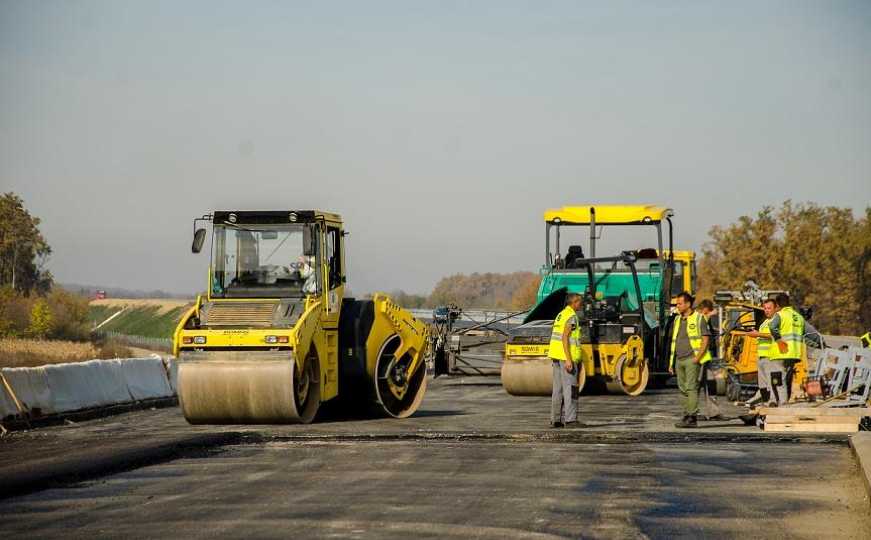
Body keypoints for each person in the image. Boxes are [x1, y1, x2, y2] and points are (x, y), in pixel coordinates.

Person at [668, 291, 711, 428]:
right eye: (677, 304)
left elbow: (705, 339)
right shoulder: (677, 319)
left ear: (688, 304)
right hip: (679, 359)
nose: (677, 306)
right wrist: (671, 362)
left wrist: (698, 358)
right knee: (682, 389)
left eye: (680, 304)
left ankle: (692, 417)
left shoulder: (699, 318)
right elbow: (674, 341)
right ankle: (686, 414)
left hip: (692, 358)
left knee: (691, 388)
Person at [548, 292, 583, 428]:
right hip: (566, 357)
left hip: (556, 356)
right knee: (571, 388)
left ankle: (555, 419)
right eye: (579, 302)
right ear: (573, 303)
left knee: (558, 389)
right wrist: (569, 359)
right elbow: (565, 337)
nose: (581, 304)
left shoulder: (561, 314)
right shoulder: (571, 317)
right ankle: (571, 420)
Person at [767, 293, 805, 406]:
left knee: (778, 379)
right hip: (794, 354)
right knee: (785, 379)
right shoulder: (799, 317)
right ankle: (779, 401)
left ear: (777, 304)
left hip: (781, 352)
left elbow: (772, 327)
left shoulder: (780, 315)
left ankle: (781, 403)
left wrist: (778, 339)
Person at [744, 298, 777, 407]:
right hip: (761, 357)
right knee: (762, 385)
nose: (767, 310)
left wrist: (757, 334)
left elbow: (774, 335)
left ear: (775, 309)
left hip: (771, 357)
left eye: (769, 308)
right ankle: (765, 403)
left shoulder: (776, 320)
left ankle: (772, 403)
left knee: (771, 384)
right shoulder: (765, 322)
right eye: (765, 308)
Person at [696, 299, 723, 421]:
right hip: (699, 357)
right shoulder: (698, 318)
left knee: (711, 384)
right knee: (695, 385)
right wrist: (710, 314)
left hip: (707, 357)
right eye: (709, 310)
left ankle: (714, 412)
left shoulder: (706, 319)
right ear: (705, 309)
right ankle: (693, 412)